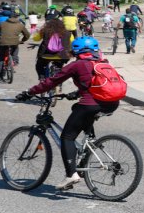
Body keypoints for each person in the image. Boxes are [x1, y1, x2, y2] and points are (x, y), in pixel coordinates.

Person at [15, 36, 121, 192]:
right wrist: (77, 93)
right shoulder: (102, 63)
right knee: (78, 110)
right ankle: (89, 141)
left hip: (90, 105)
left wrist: (29, 92)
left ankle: (71, 175)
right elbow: (95, 85)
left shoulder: (77, 65)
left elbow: (51, 82)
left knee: (67, 137)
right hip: (112, 103)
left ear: (77, 51)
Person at [0, 11, 30, 77]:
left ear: (9, 17)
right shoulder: (20, 25)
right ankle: (14, 61)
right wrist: (22, 40)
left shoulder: (2, 24)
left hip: (2, 43)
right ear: (17, 18)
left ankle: (0, 71)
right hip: (14, 43)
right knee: (14, 51)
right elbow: (27, 35)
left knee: (1, 56)